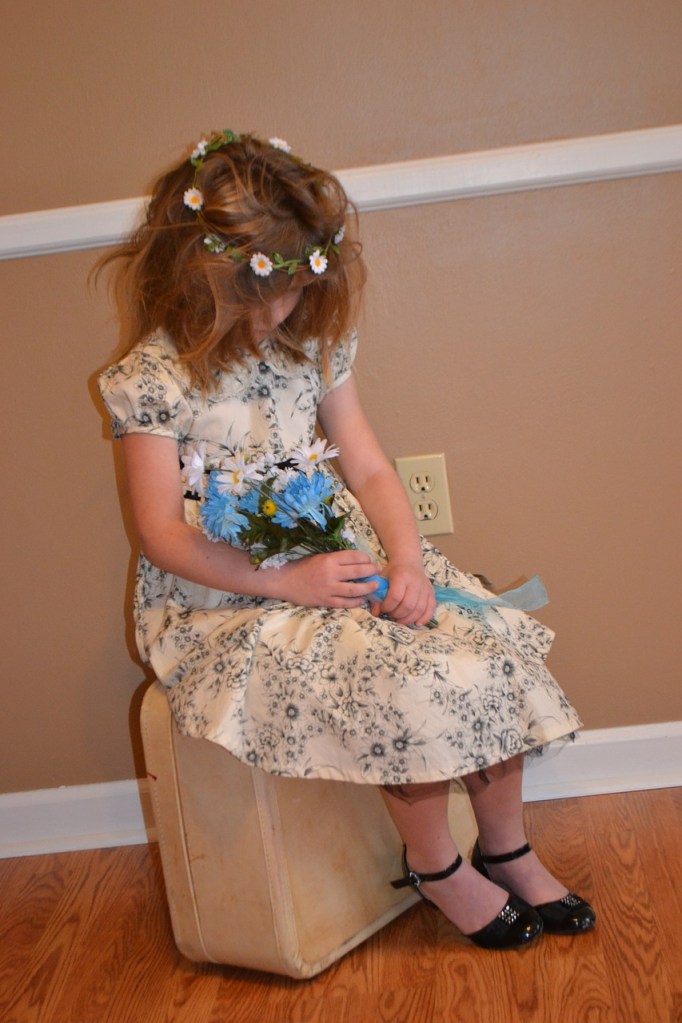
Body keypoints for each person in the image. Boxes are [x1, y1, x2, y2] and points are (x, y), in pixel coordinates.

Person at [97, 129, 595, 951]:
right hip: (229, 595)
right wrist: (288, 583)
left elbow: (365, 465)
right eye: (258, 295)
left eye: (291, 290)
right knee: (396, 677)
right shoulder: (151, 381)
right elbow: (159, 534)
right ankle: (434, 866)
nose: (278, 313)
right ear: (193, 276)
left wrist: (406, 560)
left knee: (483, 641)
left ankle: (504, 846)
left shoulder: (309, 347)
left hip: (344, 557)